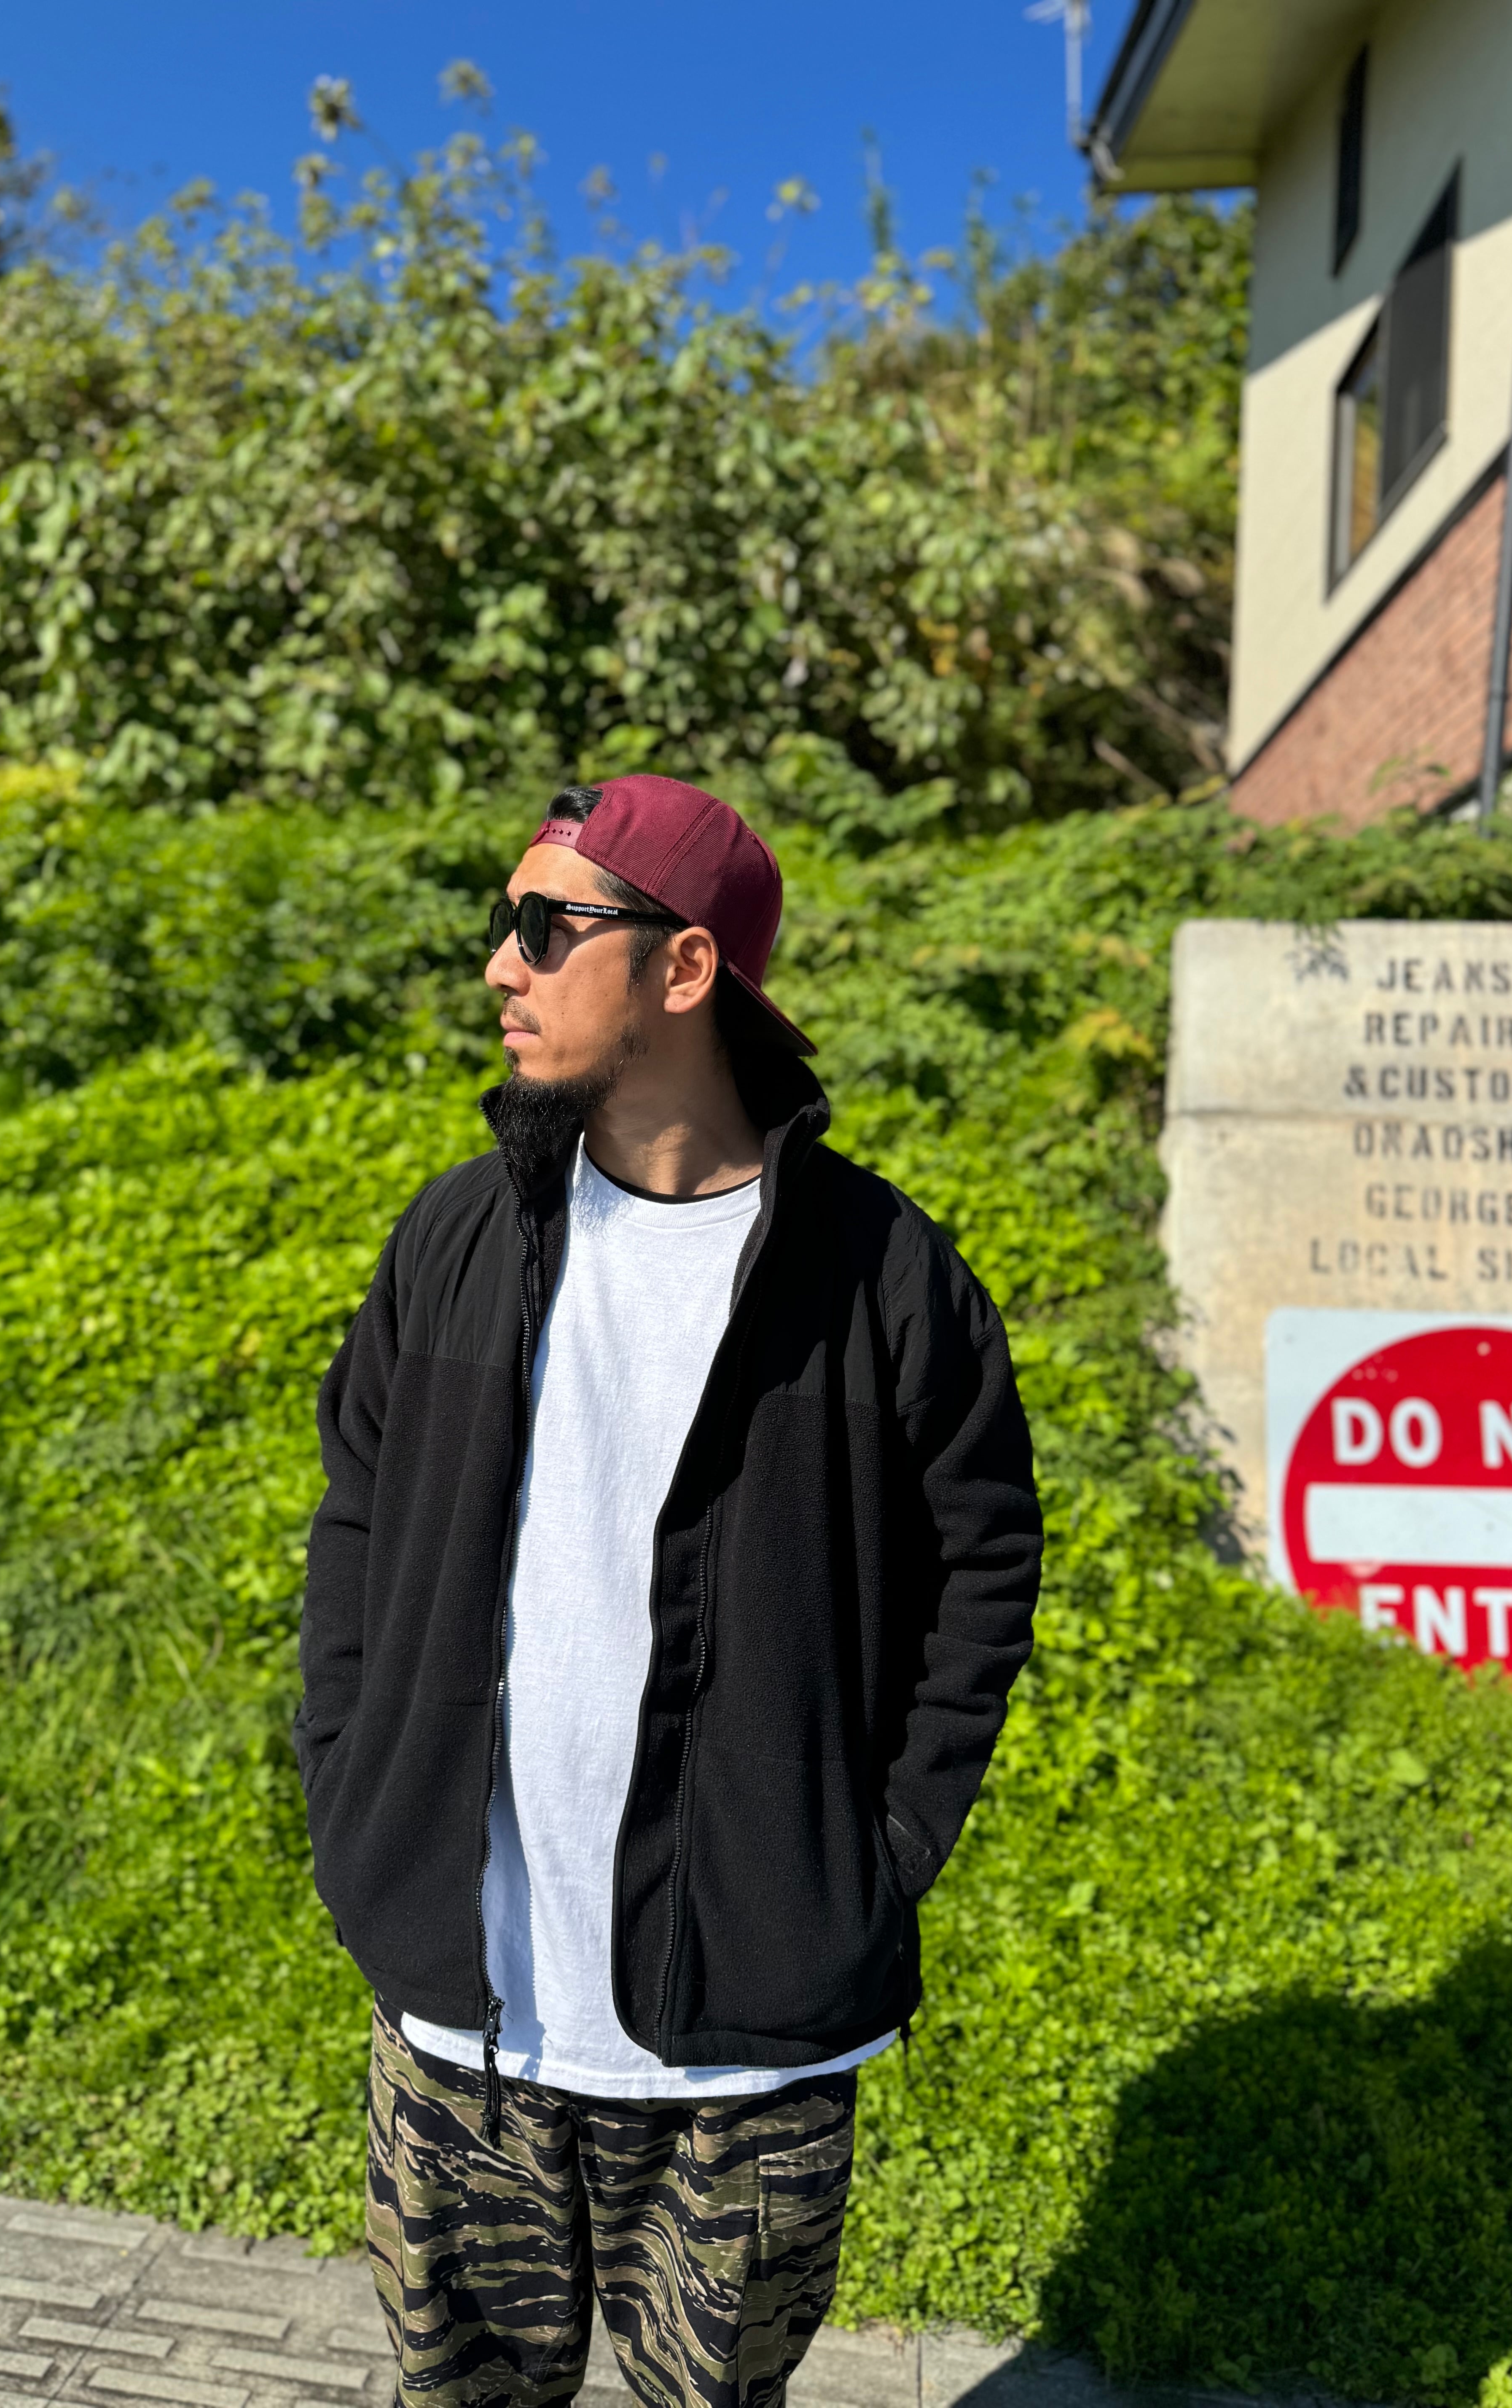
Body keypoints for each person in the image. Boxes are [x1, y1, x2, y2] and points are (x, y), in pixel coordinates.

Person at [294, 774, 1042, 2408]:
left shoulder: (883, 1280)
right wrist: (352, 1783)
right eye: (506, 924)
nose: (500, 964)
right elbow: (354, 1516)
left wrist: (874, 1858)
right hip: (464, 2023)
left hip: (745, 2056)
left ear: (686, 968)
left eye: (544, 927)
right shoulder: (455, 1240)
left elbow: (981, 1579)